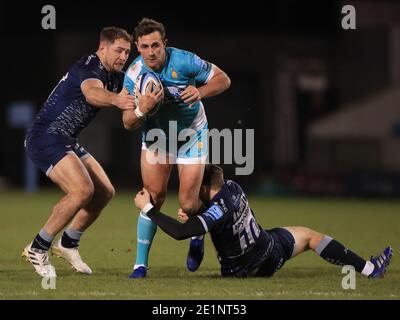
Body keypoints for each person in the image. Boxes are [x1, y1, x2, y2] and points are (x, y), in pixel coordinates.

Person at [23, 27, 163, 278]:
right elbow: (92, 93)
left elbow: (131, 110)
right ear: (102, 48)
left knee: (104, 192)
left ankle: (68, 243)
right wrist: (117, 100)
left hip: (66, 139)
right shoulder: (89, 66)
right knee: (82, 190)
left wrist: (145, 107)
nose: (123, 56)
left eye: (127, 52)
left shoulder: (116, 76)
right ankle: (38, 246)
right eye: (118, 50)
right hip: (45, 137)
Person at [133, 164, 393, 278]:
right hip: (269, 249)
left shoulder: (215, 212)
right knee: (311, 236)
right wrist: (197, 213)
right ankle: (370, 269)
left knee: (199, 231)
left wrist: (148, 208)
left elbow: (179, 233)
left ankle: (199, 237)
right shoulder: (233, 187)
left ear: (203, 188)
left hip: (243, 270)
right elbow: (213, 207)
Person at [123, 18, 231, 278]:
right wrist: (141, 109)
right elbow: (127, 123)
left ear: (165, 44)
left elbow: (223, 80)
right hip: (157, 137)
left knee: (188, 203)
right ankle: (140, 265)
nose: (151, 52)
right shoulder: (134, 75)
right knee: (153, 197)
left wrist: (201, 92)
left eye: (156, 45)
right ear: (138, 46)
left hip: (191, 135)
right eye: (145, 46)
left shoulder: (184, 61)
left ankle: (197, 233)